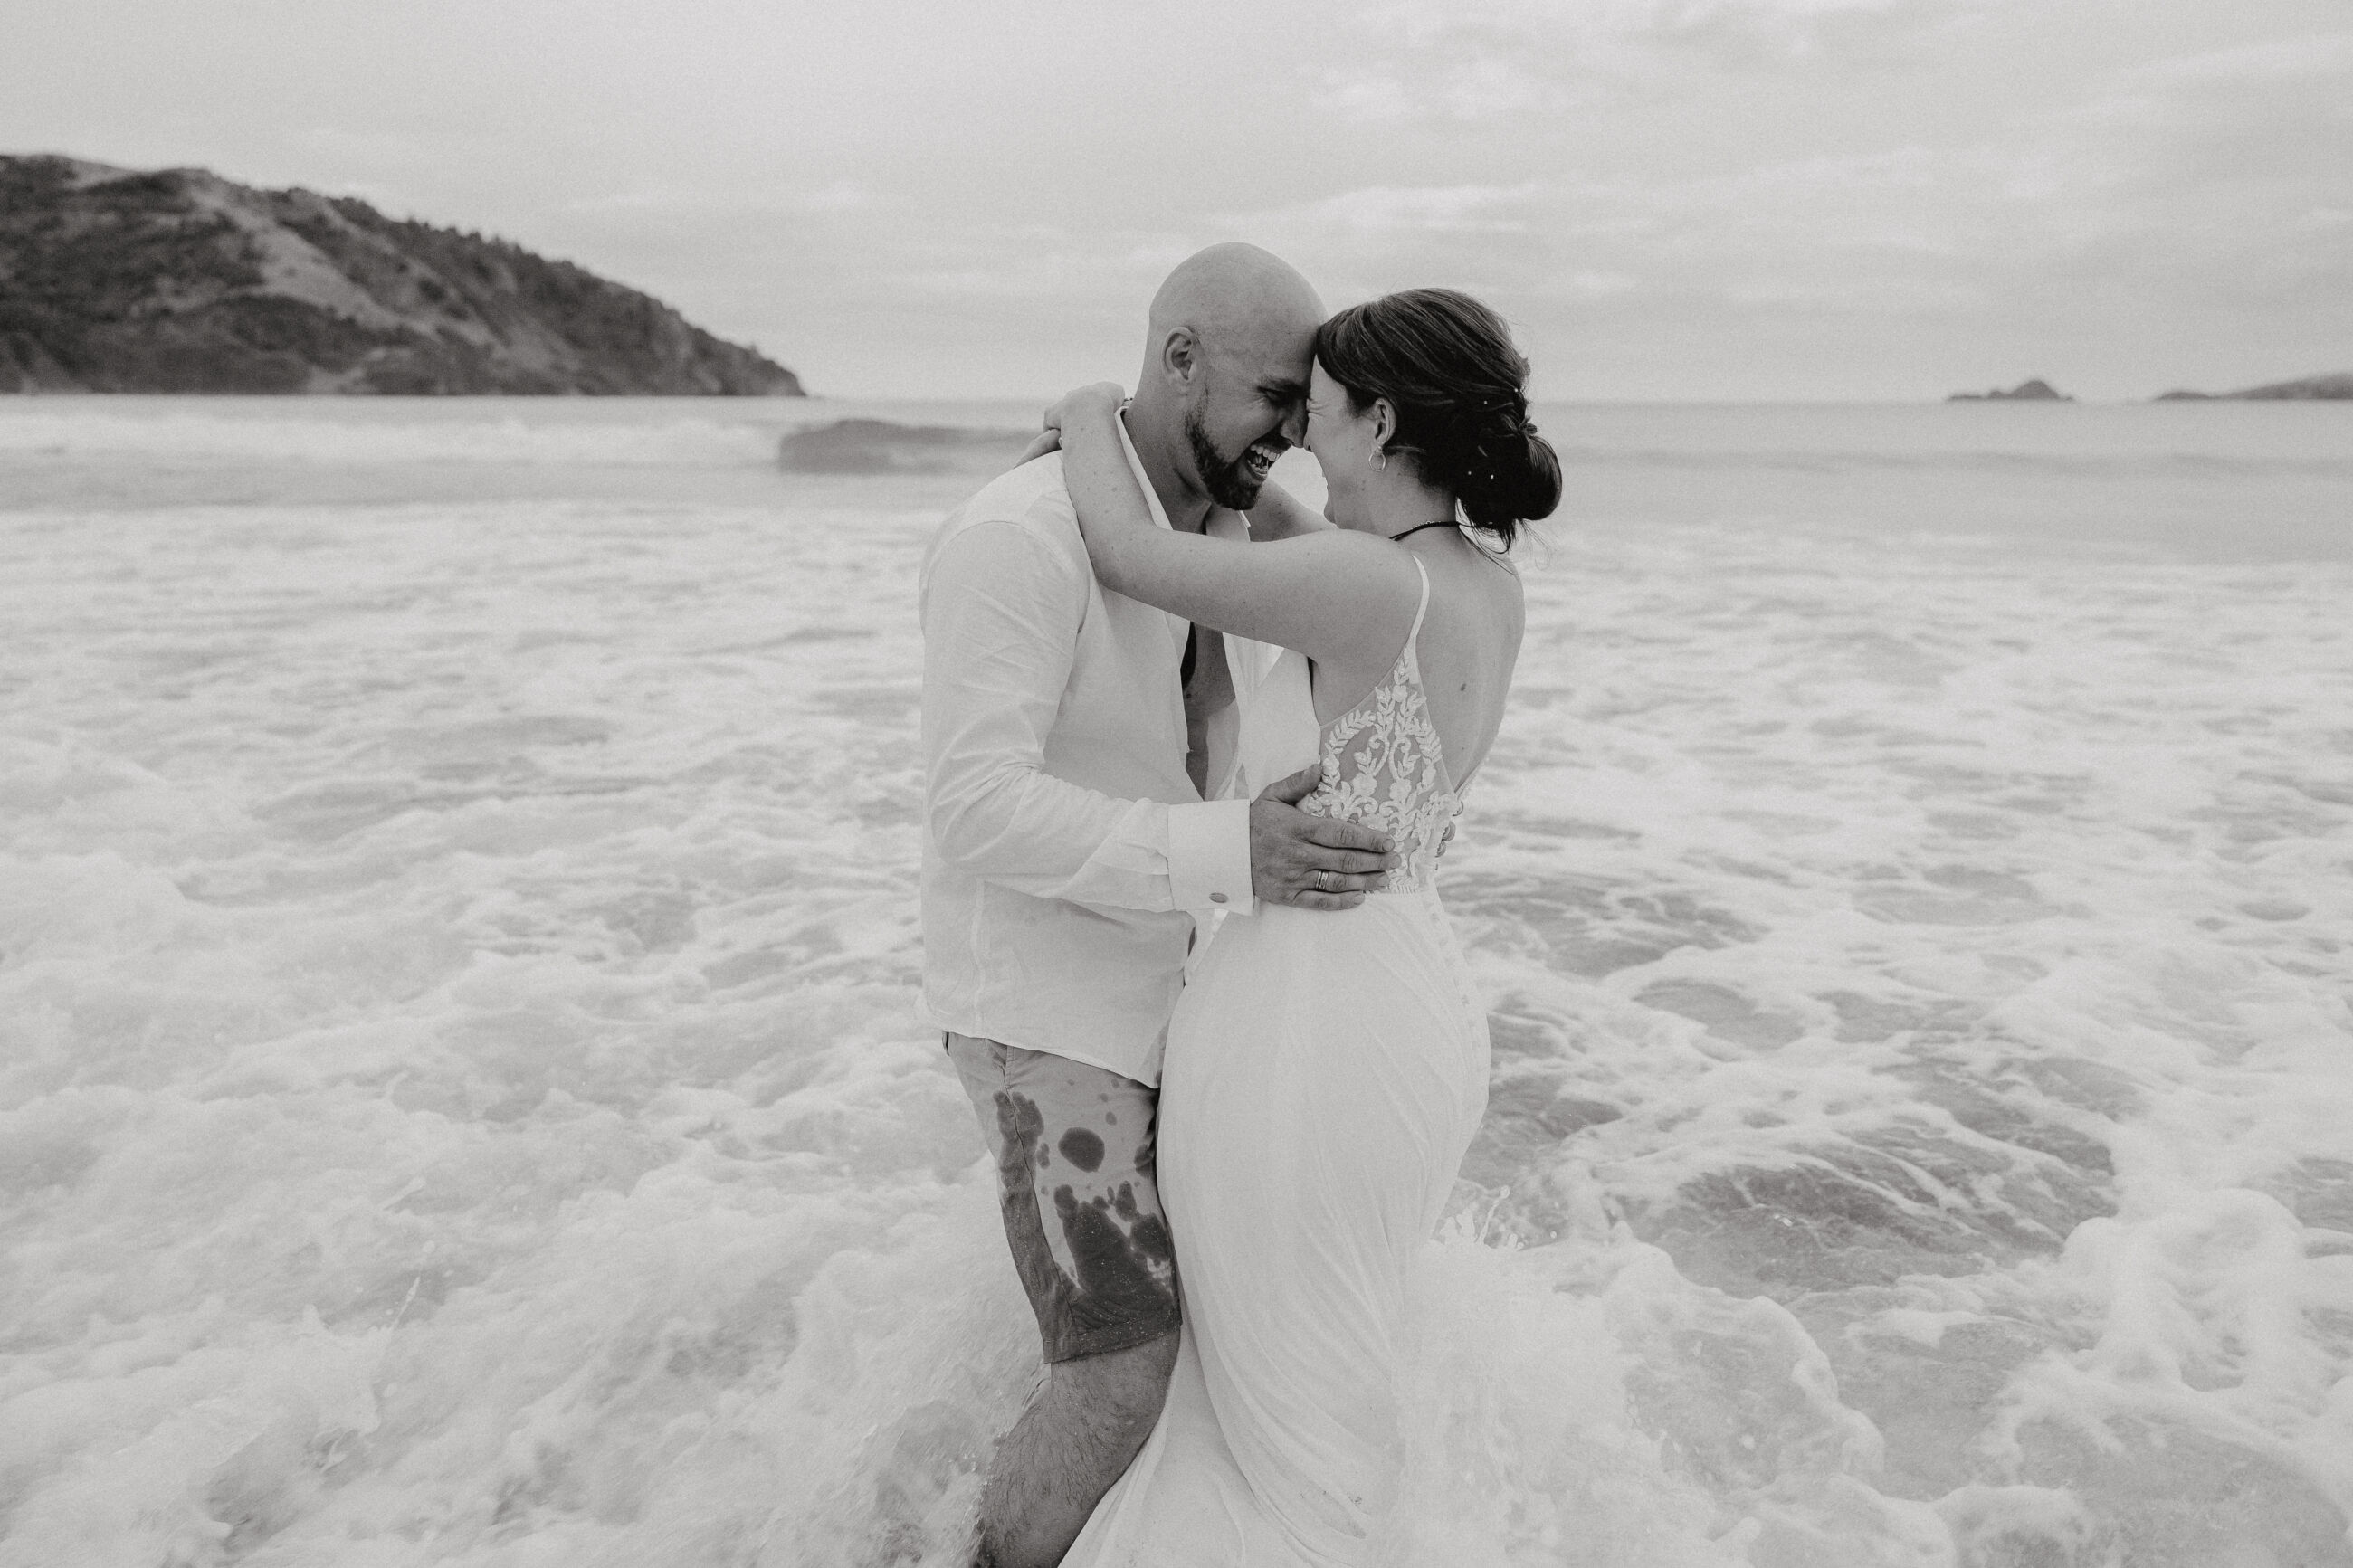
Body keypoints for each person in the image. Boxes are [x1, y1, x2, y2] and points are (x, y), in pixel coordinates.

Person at [1043, 288, 1561, 1564]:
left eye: (1315, 413)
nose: (1296, 445)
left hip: (1313, 1029)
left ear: (1381, 421)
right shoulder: (1475, 583)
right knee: (1312, 1387)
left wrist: (1085, 410)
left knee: (1271, 1422)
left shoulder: (1363, 585)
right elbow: (1287, 530)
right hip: (1407, 994)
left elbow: (1135, 554)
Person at [918, 243, 1402, 1568]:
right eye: (1268, 398)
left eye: (1307, 414)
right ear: (1178, 359)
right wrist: (1225, 847)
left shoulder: (1228, 537)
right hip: (1042, 1008)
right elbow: (974, 805)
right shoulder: (1019, 535)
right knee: (1123, 1369)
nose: (1289, 439)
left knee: (1189, 1355)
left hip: (1174, 993)